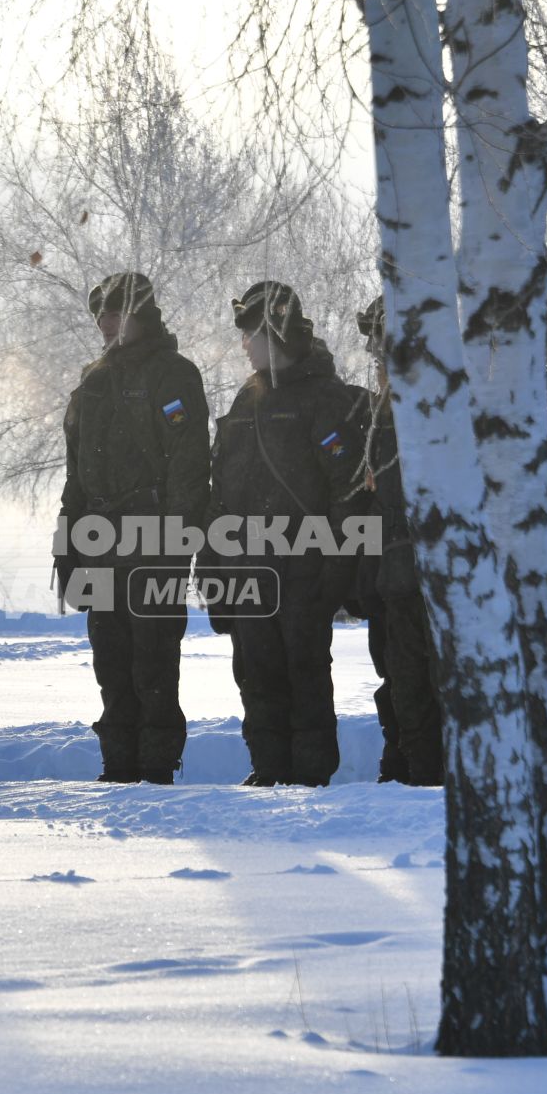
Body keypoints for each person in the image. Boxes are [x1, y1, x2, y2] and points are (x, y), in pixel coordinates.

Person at [202, 281, 370, 787]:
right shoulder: (244, 398)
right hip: (246, 569)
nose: (245, 345)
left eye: (252, 334)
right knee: (255, 677)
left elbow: (348, 494)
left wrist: (336, 573)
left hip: (303, 572)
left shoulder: (324, 397)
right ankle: (268, 768)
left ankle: (312, 777)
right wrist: (211, 566)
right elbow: (220, 492)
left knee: (305, 677)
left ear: (276, 333)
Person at [56, 272, 210, 784]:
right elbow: (75, 472)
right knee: (110, 660)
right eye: (99, 313)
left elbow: (189, 466)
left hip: (153, 535)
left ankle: (157, 766)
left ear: (140, 315)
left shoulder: (174, 375)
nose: (104, 322)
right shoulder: (92, 381)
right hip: (98, 537)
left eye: (114, 312)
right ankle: (118, 765)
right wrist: (66, 544)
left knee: (154, 660)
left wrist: (178, 540)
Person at [360, 297, 444, 786]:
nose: (377, 360)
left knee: (441, 684)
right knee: (404, 683)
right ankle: (417, 769)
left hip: (439, 574)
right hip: (393, 573)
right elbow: (372, 500)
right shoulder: (380, 417)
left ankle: (443, 775)